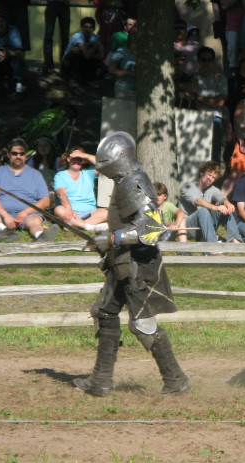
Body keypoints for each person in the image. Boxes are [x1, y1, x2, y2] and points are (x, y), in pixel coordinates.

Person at [73, 131, 190, 398]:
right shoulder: (125, 180)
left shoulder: (135, 181)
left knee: (142, 325)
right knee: (104, 312)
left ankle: (176, 380)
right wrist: (104, 238)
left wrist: (112, 238)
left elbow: (153, 229)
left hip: (139, 265)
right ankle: (100, 381)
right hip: (122, 263)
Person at [0, 137, 60, 243]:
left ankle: (41, 236)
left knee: (35, 220)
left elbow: (45, 201)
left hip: (29, 214)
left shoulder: (35, 174)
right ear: (8, 155)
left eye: (22, 153)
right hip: (1, 213)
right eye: (14, 153)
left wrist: (24, 213)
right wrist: (6, 216)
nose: (18, 156)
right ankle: (5, 231)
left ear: (25, 156)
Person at [179, 160, 240, 244]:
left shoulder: (211, 189)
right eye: (209, 175)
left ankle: (235, 240)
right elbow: (197, 200)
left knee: (225, 208)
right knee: (202, 210)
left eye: (214, 177)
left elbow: (220, 196)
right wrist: (214, 207)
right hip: (189, 228)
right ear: (201, 172)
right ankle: (212, 247)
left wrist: (227, 203)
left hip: (206, 226)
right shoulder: (187, 187)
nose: (211, 179)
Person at [52, 146, 108, 232]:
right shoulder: (60, 175)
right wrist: (68, 208)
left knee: (106, 212)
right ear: (68, 159)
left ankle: (73, 225)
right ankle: (87, 226)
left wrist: (85, 155)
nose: (76, 161)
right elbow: (61, 193)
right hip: (70, 211)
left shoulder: (89, 173)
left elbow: (104, 164)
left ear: (83, 160)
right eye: (74, 158)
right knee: (58, 210)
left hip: (90, 212)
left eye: (79, 158)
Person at [196, 46, 231, 164]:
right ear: (198, 60)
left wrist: (199, 97)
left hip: (215, 118)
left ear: (213, 61)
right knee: (196, 152)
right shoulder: (193, 78)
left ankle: (212, 181)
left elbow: (220, 102)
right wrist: (212, 101)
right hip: (195, 118)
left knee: (214, 153)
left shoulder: (220, 78)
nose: (206, 63)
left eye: (209, 60)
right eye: (203, 59)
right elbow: (194, 103)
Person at [61, 16, 104, 88]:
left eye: (90, 27)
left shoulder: (95, 37)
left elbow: (101, 55)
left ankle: (87, 79)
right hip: (67, 66)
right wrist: (95, 46)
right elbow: (87, 55)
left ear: (93, 29)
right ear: (82, 28)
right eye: (86, 27)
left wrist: (89, 53)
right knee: (76, 52)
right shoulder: (77, 36)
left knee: (91, 55)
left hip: (82, 63)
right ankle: (73, 79)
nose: (88, 29)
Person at [108, 25, 137, 100]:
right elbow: (111, 69)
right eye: (133, 33)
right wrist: (128, 73)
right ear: (129, 35)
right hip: (123, 88)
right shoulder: (122, 51)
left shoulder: (147, 54)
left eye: (138, 33)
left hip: (142, 90)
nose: (136, 36)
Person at [42, 0, 70, 75]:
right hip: (52, 3)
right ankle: (48, 65)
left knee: (65, 37)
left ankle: (64, 66)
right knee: (49, 35)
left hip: (65, 4)